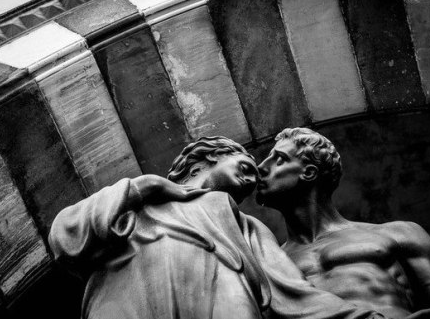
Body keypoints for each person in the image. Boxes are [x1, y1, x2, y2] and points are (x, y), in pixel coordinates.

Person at [48, 136, 385, 319]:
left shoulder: (245, 224)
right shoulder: (134, 204)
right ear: (208, 158)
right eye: (245, 165)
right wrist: (146, 187)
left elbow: (293, 292)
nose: (254, 178)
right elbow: (66, 238)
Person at [256, 127, 430, 319]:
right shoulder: (270, 264)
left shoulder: (398, 233)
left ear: (308, 172)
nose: (260, 168)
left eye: (279, 160)